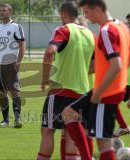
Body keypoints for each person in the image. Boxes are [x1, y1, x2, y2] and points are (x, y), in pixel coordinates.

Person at [62, 0, 130, 159]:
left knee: (103, 141)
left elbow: (116, 64)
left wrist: (98, 92)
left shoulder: (106, 31)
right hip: (114, 89)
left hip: (105, 92)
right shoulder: (122, 27)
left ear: (98, 9)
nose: (86, 16)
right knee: (70, 113)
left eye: (87, 12)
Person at [37, 1, 95, 160]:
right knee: (71, 132)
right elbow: (95, 63)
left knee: (47, 130)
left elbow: (50, 52)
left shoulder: (63, 30)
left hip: (59, 90)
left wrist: (44, 78)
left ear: (63, 14)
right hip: (81, 93)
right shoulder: (90, 35)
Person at [0, 3, 26, 128]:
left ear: (10, 12)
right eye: (0, 10)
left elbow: (22, 45)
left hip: (11, 64)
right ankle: (5, 120)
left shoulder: (16, 27)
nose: (1, 12)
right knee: (1, 92)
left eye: (4, 10)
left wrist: (19, 61)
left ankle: (17, 119)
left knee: (14, 91)